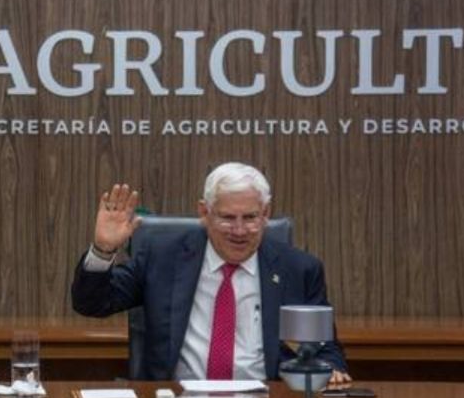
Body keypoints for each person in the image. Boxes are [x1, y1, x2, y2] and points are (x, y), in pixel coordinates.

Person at [72, 162, 351, 385]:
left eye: (251, 218)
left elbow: (325, 348)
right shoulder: (163, 258)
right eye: (228, 218)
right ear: (204, 212)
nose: (240, 231)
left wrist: (332, 371)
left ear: (266, 213)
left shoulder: (298, 269)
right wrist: (103, 250)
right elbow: (92, 303)